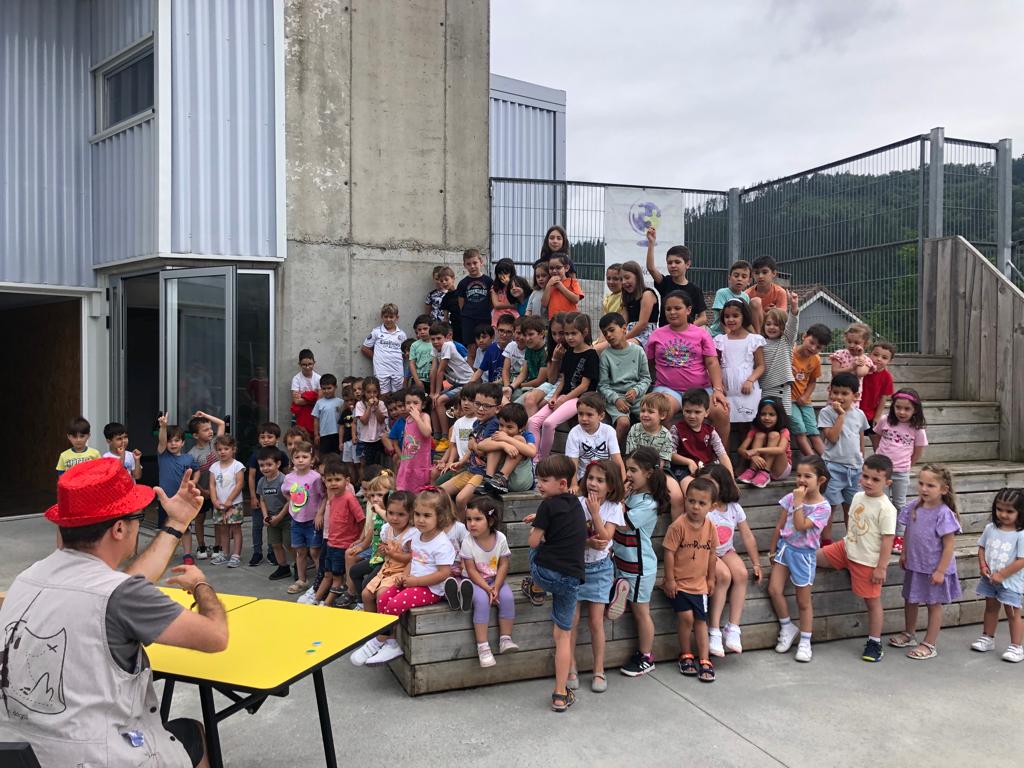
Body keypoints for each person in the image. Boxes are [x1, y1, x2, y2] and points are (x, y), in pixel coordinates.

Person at [0, 458, 227, 768]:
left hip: (21, 755)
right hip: (92, 758)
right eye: (137, 517)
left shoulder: (27, 578)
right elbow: (216, 636)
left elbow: (120, 586)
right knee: (193, 732)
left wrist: (176, 523)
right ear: (120, 528)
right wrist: (201, 585)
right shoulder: (121, 596)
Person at [354, 487, 457, 666]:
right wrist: (405, 575)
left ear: (440, 517)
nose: (420, 520)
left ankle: (378, 641)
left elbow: (444, 573)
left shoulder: (441, 544)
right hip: (412, 581)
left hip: (430, 589)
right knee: (383, 598)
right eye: (417, 514)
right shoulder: (418, 537)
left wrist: (415, 581)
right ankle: (391, 643)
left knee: (394, 604)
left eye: (427, 515)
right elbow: (413, 560)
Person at [522, 455, 587, 712]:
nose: (539, 484)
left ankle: (536, 587)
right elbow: (563, 525)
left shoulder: (547, 506)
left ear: (561, 483)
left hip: (546, 574)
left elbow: (533, 542)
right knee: (563, 635)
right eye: (538, 479)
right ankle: (560, 694)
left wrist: (537, 527)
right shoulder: (576, 504)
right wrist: (541, 520)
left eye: (544, 480)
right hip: (572, 578)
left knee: (533, 546)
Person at [818, 454, 897, 662]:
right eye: (865, 476)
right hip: (846, 548)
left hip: (867, 561)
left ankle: (874, 642)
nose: (868, 482)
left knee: (872, 602)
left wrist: (881, 567)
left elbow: (888, 540)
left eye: (875, 479)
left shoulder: (886, 508)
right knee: (810, 558)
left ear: (887, 483)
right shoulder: (857, 497)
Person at [565, 459, 627, 694]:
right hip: (575, 567)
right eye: (590, 478)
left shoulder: (613, 507)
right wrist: (587, 541)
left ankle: (598, 669)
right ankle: (570, 665)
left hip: (600, 569)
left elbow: (605, 539)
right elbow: (569, 537)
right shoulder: (577, 503)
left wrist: (595, 513)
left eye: (600, 480)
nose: (593, 483)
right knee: (571, 620)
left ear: (610, 486)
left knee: (595, 622)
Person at [888, 465, 962, 660]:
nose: (924, 489)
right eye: (921, 483)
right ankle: (909, 633)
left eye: (930, 485)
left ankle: (930, 643)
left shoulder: (944, 513)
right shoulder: (914, 506)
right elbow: (908, 532)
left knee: (933, 604)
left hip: (934, 569)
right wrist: (904, 553)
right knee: (910, 599)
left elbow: (949, 547)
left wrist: (940, 571)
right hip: (915, 564)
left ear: (943, 489)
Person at [767, 456, 832, 663]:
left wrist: (797, 503)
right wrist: (772, 550)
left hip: (804, 555)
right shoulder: (790, 498)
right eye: (799, 475)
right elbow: (780, 525)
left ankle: (805, 641)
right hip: (785, 549)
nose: (801, 480)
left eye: (807, 476)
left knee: (803, 602)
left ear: (820, 480)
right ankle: (787, 626)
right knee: (774, 589)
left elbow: (801, 525)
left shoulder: (823, 508)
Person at [614, 447, 672, 677]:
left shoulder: (649, 503)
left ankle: (646, 656)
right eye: (627, 469)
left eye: (633, 470)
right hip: (621, 560)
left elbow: (622, 524)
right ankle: (617, 595)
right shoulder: (632, 494)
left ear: (648, 473)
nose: (628, 474)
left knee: (641, 612)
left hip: (639, 567)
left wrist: (619, 499)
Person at [696, 464, 760, 656]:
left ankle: (733, 627)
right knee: (724, 575)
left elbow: (747, 535)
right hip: (705, 552)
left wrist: (756, 563)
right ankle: (714, 630)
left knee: (741, 574)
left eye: (711, 483)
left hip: (725, 550)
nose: (706, 488)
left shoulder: (734, 508)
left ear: (722, 484)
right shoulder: (704, 508)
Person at [645, 290, 730, 436]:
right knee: (659, 411)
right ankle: (672, 448)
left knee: (722, 411)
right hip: (668, 390)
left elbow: (712, 363)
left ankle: (721, 451)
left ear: (688, 310)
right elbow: (650, 362)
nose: (672, 312)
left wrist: (717, 390)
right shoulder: (656, 335)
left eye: (677, 308)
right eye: (668, 309)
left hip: (701, 390)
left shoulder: (701, 334)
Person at [663, 477, 718, 683]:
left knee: (701, 621)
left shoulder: (710, 527)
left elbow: (712, 555)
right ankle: (685, 654)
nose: (695, 507)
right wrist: (670, 580)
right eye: (691, 501)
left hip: (700, 585)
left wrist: (711, 579)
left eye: (702, 503)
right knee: (686, 617)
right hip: (680, 583)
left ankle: (704, 659)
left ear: (712, 506)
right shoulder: (678, 525)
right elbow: (669, 552)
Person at [527, 313, 599, 459]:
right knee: (532, 421)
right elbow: (563, 380)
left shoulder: (591, 355)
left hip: (579, 398)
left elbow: (584, 386)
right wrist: (554, 397)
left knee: (548, 423)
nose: (569, 337)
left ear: (585, 332)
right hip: (562, 396)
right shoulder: (568, 353)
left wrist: (564, 399)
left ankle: (542, 460)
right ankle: (533, 459)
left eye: (574, 333)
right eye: (566, 334)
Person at [350, 491, 415, 647]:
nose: (394, 518)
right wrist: (383, 550)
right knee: (366, 594)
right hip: (386, 567)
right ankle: (373, 630)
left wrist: (392, 553)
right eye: (391, 513)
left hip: (401, 571)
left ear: (410, 515)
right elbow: (385, 549)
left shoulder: (411, 534)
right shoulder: (387, 529)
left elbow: (412, 558)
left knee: (382, 594)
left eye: (401, 514)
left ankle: (387, 635)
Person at [459, 496, 518, 667]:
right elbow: (471, 570)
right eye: (469, 519)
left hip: (494, 580)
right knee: (481, 601)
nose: (472, 524)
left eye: (478, 519)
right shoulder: (468, 541)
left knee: (507, 598)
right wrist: (488, 589)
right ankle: (483, 647)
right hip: (474, 581)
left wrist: (496, 587)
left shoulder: (500, 538)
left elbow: (504, 564)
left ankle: (505, 639)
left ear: (490, 521)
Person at [971, 488, 1024, 663]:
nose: (1003, 514)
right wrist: (983, 565)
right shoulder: (990, 528)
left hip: (1010, 582)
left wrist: (1002, 574)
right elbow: (981, 548)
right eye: (999, 509)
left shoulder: (1020, 534)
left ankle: (1016, 647)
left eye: (1010, 511)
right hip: (990, 579)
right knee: (991, 608)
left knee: (1012, 612)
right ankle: (988, 637)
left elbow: (1021, 560)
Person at [874, 388, 928, 554]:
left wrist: (907, 464)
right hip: (881, 471)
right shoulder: (885, 420)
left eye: (907, 409)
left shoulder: (917, 429)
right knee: (880, 502)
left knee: (898, 504)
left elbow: (918, 450)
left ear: (915, 410)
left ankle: (898, 536)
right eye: (898, 407)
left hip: (901, 472)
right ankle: (880, 535)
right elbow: (877, 436)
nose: (902, 412)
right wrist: (879, 455)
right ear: (893, 407)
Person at [818, 372, 870, 541]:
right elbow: (832, 437)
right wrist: (841, 415)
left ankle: (851, 541)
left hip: (854, 469)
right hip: (832, 467)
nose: (839, 397)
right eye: (835, 392)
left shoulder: (859, 414)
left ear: (855, 395)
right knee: (829, 507)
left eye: (844, 393)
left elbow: (860, 439)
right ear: (830, 391)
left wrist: (862, 462)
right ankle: (826, 543)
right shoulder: (826, 413)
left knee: (852, 508)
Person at [440, 383, 502, 515]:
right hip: (471, 469)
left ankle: (465, 525)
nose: (480, 409)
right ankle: (455, 522)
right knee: (440, 492)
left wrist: (473, 444)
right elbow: (472, 448)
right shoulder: (477, 423)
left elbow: (481, 449)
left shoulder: (494, 425)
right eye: (478, 404)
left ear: (497, 409)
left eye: (486, 406)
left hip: (483, 474)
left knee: (461, 499)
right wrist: (461, 462)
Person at [599, 312, 652, 444]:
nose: (608, 335)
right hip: (616, 398)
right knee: (623, 423)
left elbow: (646, 378)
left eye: (611, 330)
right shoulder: (605, 356)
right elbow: (602, 385)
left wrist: (636, 391)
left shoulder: (638, 351)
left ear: (624, 328)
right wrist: (616, 399)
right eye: (605, 333)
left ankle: (649, 452)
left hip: (637, 396)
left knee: (652, 417)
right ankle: (612, 452)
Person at [318, 460, 365, 607]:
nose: (333, 483)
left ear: (347, 481)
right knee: (328, 574)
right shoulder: (333, 498)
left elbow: (361, 520)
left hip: (344, 545)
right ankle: (316, 599)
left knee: (337, 577)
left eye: (337, 479)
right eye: (329, 480)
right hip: (331, 543)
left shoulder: (350, 498)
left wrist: (359, 540)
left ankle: (326, 604)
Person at [715, 299, 766, 429]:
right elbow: (715, 365)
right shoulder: (720, 340)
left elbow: (761, 366)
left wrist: (750, 380)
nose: (731, 319)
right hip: (727, 392)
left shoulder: (754, 340)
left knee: (749, 426)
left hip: (747, 391)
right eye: (727, 316)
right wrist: (719, 385)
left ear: (744, 316)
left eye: (735, 316)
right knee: (726, 424)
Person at [283, 440, 325, 595]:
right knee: (300, 551)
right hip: (296, 520)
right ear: (292, 459)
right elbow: (286, 492)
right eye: (297, 457)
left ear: (312, 459)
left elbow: (324, 496)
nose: (301, 460)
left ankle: (321, 581)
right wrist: (293, 504)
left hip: (312, 520)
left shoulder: (316, 478)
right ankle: (302, 580)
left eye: (305, 457)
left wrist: (319, 514)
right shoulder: (289, 478)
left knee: (315, 552)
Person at [157, 413, 200, 562]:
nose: (173, 444)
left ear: (183, 442)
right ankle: (165, 554)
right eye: (170, 441)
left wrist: (194, 481)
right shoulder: (163, 455)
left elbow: (197, 470)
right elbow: (162, 441)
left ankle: (187, 554)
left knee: (185, 528)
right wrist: (163, 427)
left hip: (183, 500)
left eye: (176, 440)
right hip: (166, 500)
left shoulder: (188, 458)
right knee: (166, 529)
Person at [670, 388, 733, 488]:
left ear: (706, 412)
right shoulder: (676, 429)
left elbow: (722, 455)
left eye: (697, 412)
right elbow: (670, 454)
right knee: (691, 488)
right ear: (683, 411)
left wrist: (732, 481)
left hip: (706, 468)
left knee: (717, 487)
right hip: (684, 469)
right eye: (688, 411)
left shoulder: (711, 432)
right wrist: (688, 461)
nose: (692, 416)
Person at [564, 392, 625, 493]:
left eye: (589, 415)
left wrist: (622, 485)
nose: (584, 418)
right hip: (585, 477)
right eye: (580, 414)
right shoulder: (574, 433)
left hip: (605, 475)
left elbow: (617, 460)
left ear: (601, 416)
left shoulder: (609, 431)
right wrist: (574, 484)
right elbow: (572, 462)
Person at [645, 228, 707, 327]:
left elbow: (703, 318)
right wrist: (651, 243)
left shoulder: (695, 290)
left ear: (687, 264)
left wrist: (686, 328)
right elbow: (651, 268)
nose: (673, 265)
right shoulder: (665, 282)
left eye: (677, 262)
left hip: (686, 335)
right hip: (665, 333)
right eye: (669, 263)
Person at [246, 422, 288, 566]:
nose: (266, 440)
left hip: (277, 498)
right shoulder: (255, 456)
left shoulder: (281, 455)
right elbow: (251, 476)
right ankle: (257, 552)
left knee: (273, 526)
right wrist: (253, 497)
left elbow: (287, 475)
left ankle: (272, 553)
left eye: (270, 437)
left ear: (277, 439)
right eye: (262, 437)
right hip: (261, 496)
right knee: (257, 525)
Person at [187, 410, 226, 561]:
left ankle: (217, 546)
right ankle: (201, 546)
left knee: (217, 520)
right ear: (195, 435)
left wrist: (204, 416)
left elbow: (221, 424)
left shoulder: (215, 444)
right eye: (205, 430)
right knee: (199, 518)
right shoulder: (191, 454)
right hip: (201, 492)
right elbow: (192, 477)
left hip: (218, 490)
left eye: (210, 429)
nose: (210, 431)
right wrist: (203, 491)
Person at [478, 402, 538, 495]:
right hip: (494, 483)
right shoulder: (499, 435)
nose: (504, 430)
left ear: (521, 428)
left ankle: (502, 478)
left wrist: (507, 439)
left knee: (519, 439)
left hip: (520, 481)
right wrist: (503, 445)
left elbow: (532, 452)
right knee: (495, 443)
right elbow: (480, 446)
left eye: (509, 427)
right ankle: (488, 478)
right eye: (501, 425)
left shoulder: (526, 435)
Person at [790, 324, 832, 457]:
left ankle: (828, 462)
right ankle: (813, 461)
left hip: (805, 401)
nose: (813, 348)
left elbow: (812, 381)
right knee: (800, 430)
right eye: (811, 342)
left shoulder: (816, 360)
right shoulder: (789, 354)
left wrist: (805, 396)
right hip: (789, 400)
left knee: (814, 432)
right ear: (804, 336)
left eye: (818, 347)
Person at [429, 321, 474, 438]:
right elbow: (433, 370)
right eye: (433, 339)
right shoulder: (435, 348)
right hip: (456, 384)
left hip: (467, 383)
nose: (435, 342)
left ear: (446, 338)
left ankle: (445, 437)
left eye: (439, 338)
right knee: (431, 401)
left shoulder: (448, 345)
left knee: (439, 400)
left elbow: (440, 370)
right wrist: (432, 393)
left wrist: (437, 393)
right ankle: (436, 436)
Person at [736, 397, 792, 489]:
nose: (766, 418)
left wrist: (757, 450)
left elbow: (781, 450)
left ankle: (765, 472)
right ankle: (752, 470)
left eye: (771, 414)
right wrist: (753, 456)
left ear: (779, 416)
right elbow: (741, 449)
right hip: (759, 467)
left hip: (780, 469)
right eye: (763, 414)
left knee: (774, 435)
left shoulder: (784, 431)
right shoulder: (755, 430)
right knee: (760, 435)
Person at [758, 295, 800, 415]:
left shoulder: (786, 340)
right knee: (765, 418)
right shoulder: (759, 342)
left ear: (783, 326)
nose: (772, 327)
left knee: (782, 419)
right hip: (764, 388)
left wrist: (794, 308)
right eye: (768, 324)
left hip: (782, 388)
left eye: (776, 325)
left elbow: (792, 326)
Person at [257, 445, 293, 581]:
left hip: (286, 518)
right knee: (275, 544)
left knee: (289, 544)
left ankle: (298, 566)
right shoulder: (261, 481)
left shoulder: (284, 480)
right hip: (272, 519)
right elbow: (262, 500)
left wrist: (280, 516)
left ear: (277, 464)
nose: (265, 468)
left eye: (269, 465)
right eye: (262, 465)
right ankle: (283, 567)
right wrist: (265, 516)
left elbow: (290, 501)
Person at [208, 434, 245, 568]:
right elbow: (212, 485)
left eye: (226, 449)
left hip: (234, 504)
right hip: (219, 504)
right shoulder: (214, 467)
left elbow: (239, 484)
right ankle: (224, 553)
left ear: (233, 449)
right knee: (222, 529)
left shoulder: (237, 466)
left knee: (236, 529)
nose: (222, 452)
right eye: (219, 449)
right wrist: (214, 500)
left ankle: (236, 555)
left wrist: (230, 499)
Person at [361, 303, 407, 395]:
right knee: (382, 395)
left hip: (397, 370)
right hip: (381, 370)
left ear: (397, 318)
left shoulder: (401, 334)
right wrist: (377, 358)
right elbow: (365, 348)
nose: (388, 319)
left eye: (391, 317)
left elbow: (406, 351)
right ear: (382, 317)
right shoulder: (376, 332)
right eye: (386, 317)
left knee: (398, 395)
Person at [457, 248, 493, 363]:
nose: (472, 266)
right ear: (464, 265)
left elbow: (492, 301)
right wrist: (467, 314)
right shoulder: (462, 283)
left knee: (486, 349)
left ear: (481, 262)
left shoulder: (489, 281)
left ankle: (485, 374)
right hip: (469, 320)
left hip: (485, 319)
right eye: (468, 264)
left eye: (475, 263)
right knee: (472, 351)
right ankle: (471, 374)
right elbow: (461, 304)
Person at [625, 392, 675, 469]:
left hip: (658, 469)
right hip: (636, 466)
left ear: (662, 415)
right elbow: (631, 454)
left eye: (650, 412)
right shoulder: (635, 428)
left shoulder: (666, 435)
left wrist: (651, 472)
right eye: (643, 411)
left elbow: (662, 461)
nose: (645, 414)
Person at [397, 388, 433, 492]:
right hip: (408, 461)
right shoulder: (407, 419)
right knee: (405, 489)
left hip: (419, 463)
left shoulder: (424, 416)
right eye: (408, 403)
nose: (411, 406)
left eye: (415, 403)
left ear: (423, 405)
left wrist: (417, 418)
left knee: (418, 490)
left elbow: (427, 432)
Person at [829, 323, 875, 403]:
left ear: (865, 343)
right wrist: (851, 368)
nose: (852, 345)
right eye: (849, 341)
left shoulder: (866, 360)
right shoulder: (839, 354)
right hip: (836, 394)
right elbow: (834, 372)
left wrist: (860, 356)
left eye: (856, 343)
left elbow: (860, 373)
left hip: (853, 396)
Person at [618, 260, 659, 347]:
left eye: (627, 277)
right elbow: (623, 322)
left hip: (646, 334)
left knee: (623, 346)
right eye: (621, 279)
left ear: (637, 276)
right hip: (629, 332)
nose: (623, 282)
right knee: (602, 346)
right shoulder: (627, 298)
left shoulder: (647, 294)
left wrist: (623, 339)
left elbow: (642, 324)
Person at [709, 260, 752, 337]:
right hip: (718, 334)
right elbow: (723, 319)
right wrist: (730, 337)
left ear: (749, 281)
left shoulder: (746, 296)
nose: (739, 279)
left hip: (737, 334)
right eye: (736, 276)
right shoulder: (722, 293)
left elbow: (746, 319)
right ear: (729, 278)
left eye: (744, 277)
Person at [354, 375, 389, 471]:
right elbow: (364, 421)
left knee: (380, 464)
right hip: (366, 440)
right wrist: (369, 407)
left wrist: (376, 407)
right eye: (368, 392)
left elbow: (381, 420)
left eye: (375, 392)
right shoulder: (360, 404)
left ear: (378, 392)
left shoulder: (381, 404)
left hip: (379, 438)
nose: (372, 395)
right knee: (369, 465)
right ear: (364, 392)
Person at [746, 255, 789, 326]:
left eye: (764, 272)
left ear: (774, 273)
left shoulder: (780, 292)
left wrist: (772, 312)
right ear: (753, 275)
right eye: (757, 273)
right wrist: (765, 312)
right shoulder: (747, 294)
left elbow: (782, 318)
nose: (760, 276)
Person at [290, 348, 321, 433]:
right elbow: (296, 401)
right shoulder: (296, 379)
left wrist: (303, 396)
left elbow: (319, 400)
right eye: (304, 364)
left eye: (310, 364)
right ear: (299, 364)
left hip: (314, 413)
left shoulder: (318, 378)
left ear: (314, 363)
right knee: (299, 435)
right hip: (300, 414)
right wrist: (313, 396)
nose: (307, 367)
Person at [543, 253, 584, 318]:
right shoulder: (549, 284)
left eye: (558, 268)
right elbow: (544, 304)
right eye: (551, 268)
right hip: (554, 320)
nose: (554, 271)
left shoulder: (572, 282)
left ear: (566, 268)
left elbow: (576, 299)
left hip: (569, 320)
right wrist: (548, 285)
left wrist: (561, 286)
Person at [489, 258, 520, 324]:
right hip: (498, 317)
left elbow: (517, 301)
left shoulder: (517, 285)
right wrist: (512, 305)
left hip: (513, 316)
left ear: (511, 273)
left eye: (506, 273)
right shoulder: (495, 287)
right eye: (500, 273)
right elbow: (496, 305)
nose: (503, 276)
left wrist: (509, 285)